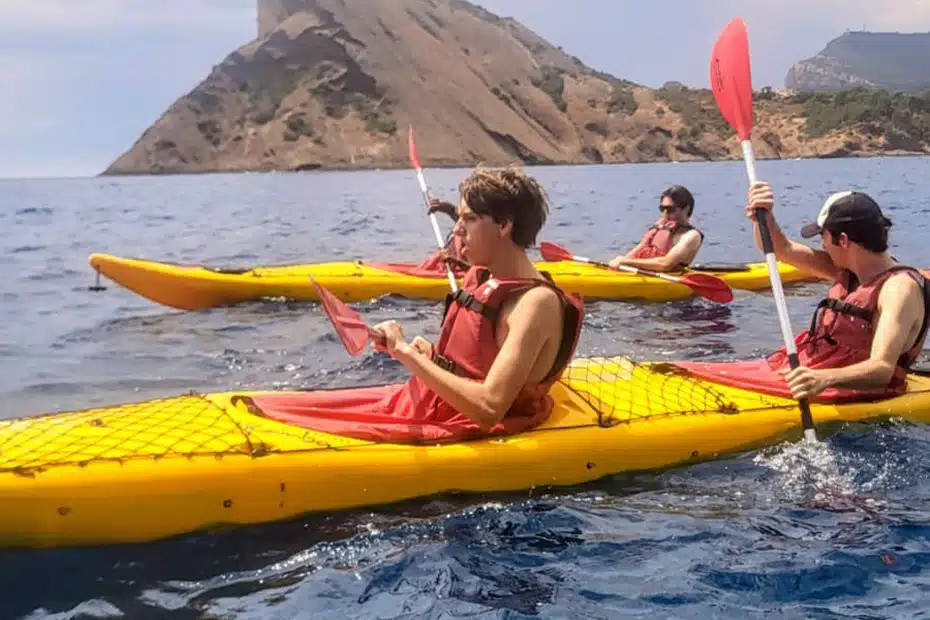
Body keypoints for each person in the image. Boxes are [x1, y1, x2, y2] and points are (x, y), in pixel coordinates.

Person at [255, 166, 585, 443]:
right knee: (267, 408)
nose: (457, 230)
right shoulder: (483, 276)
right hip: (431, 404)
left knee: (288, 425)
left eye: (469, 219)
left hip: (462, 424)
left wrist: (407, 355)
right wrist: (430, 357)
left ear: (503, 225)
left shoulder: (535, 303)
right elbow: (473, 364)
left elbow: (489, 409)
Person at [676, 182, 929, 403]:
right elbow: (780, 249)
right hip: (813, 368)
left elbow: (882, 370)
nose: (822, 244)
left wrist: (823, 379)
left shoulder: (899, 290)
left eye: (823, 237)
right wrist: (763, 216)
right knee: (688, 372)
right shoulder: (848, 269)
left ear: (842, 240)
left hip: (850, 390)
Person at [608, 185, 704, 272]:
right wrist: (620, 263)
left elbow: (665, 264)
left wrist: (626, 261)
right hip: (639, 272)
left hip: (665, 277)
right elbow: (639, 248)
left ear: (686, 209)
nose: (665, 213)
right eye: (662, 209)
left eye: (670, 209)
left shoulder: (691, 236)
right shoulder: (661, 226)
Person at [413, 198, 470, 272]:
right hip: (447, 265)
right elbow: (453, 211)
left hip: (459, 269)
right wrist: (444, 207)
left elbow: (482, 271)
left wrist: (456, 261)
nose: (456, 229)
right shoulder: (467, 222)